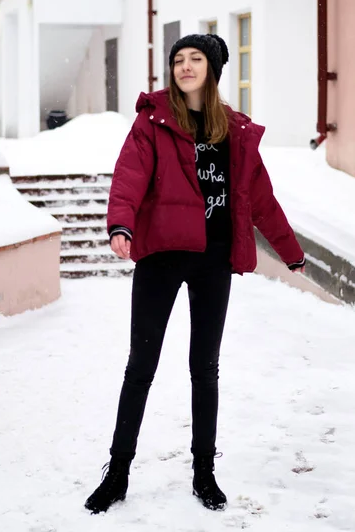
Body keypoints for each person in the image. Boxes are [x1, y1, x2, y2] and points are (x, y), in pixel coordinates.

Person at [84, 33, 305, 514]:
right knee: (140, 367)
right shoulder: (153, 121)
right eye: (178, 60)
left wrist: (290, 251)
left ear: (213, 69)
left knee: (204, 368)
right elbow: (129, 175)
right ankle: (118, 472)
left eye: (195, 59)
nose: (184, 66)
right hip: (161, 255)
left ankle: (204, 471)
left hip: (214, 260)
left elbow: (261, 200)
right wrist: (120, 223)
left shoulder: (236, 132)